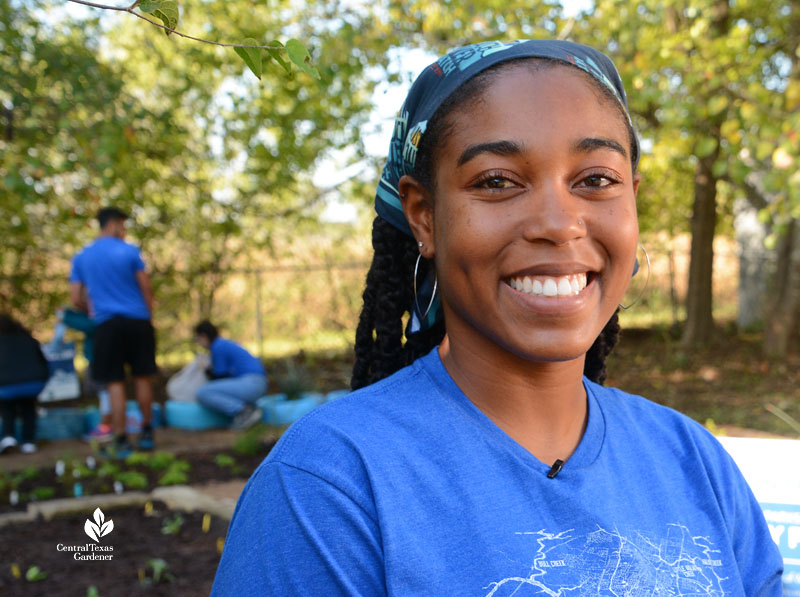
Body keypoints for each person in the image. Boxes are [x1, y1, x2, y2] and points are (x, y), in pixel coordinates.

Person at [212, 40, 783, 594]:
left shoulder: (693, 461)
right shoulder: (330, 486)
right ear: (424, 216)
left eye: (595, 180)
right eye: (496, 182)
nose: (559, 224)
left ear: (631, 198)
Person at [69, 207, 157, 455]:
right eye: (123, 225)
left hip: (107, 324)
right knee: (142, 376)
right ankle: (147, 431)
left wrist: (93, 309)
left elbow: (75, 298)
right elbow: (146, 288)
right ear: (114, 224)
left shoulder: (82, 257)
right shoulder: (130, 251)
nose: (125, 230)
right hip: (138, 321)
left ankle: (121, 438)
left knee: (114, 382)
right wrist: (148, 316)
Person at [194, 320, 266, 430]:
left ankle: (244, 411)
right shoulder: (223, 343)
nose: (198, 343)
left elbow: (220, 378)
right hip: (257, 383)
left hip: (251, 383)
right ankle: (246, 410)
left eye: (198, 339)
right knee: (210, 390)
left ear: (203, 336)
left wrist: (205, 369)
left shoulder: (217, 346)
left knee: (203, 392)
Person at [58, 307, 113, 442]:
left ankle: (106, 426)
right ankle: (107, 425)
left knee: (105, 393)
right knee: (104, 393)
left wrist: (65, 317)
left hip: (101, 358)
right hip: (100, 357)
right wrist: (68, 313)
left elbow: (89, 325)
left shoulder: (101, 312)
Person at [0, 314, 49, 454]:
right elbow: (44, 363)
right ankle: (28, 441)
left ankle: (8, 436)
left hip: (6, 386)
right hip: (34, 383)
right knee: (28, 407)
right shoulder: (29, 339)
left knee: (7, 407)